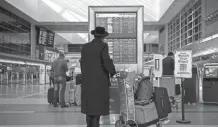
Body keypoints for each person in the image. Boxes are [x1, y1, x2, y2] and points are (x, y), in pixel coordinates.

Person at [80, 26, 116, 127]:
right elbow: (106, 61)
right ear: (103, 36)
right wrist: (113, 72)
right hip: (100, 82)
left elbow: (82, 63)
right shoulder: (103, 45)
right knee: (97, 109)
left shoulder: (85, 46)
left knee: (89, 109)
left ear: (94, 35)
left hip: (87, 81)